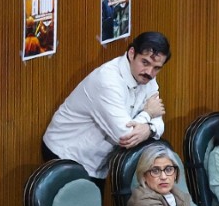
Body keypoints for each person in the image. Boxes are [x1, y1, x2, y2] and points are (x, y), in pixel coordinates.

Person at [42, 31, 169, 179]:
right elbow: (125, 136)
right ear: (131, 53)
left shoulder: (148, 79)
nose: (150, 72)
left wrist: (150, 128)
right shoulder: (107, 81)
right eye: (145, 62)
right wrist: (147, 115)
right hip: (66, 154)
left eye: (157, 68)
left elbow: (158, 121)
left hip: (97, 161)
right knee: (85, 202)